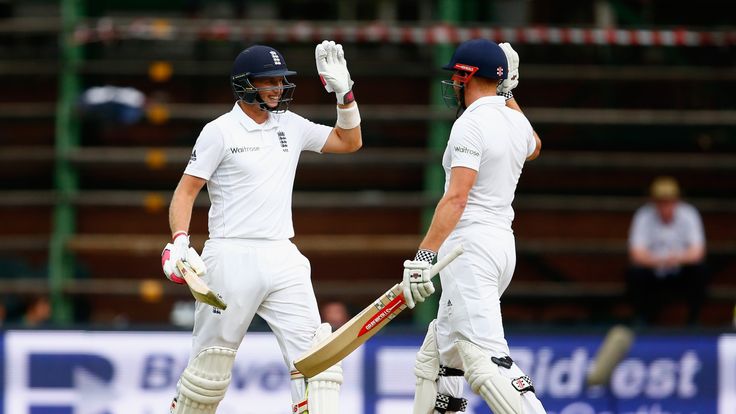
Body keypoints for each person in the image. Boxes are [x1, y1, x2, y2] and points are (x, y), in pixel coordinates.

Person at [160, 41, 362, 414]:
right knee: (208, 371)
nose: (276, 88)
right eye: (267, 81)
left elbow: (349, 141)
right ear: (244, 84)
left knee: (319, 365)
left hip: (282, 253)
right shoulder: (219, 131)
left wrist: (344, 95)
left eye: (280, 81)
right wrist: (179, 241)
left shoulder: (291, 125)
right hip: (230, 255)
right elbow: (186, 192)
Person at [402, 39, 546, 414]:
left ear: (466, 77)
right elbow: (535, 145)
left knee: (488, 362)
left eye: (455, 76)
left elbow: (456, 198)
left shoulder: (470, 125)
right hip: (500, 248)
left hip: (469, 250)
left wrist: (423, 255)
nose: (451, 84)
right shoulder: (516, 121)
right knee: (438, 362)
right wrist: (508, 93)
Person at [626, 176, 709, 326]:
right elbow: (636, 254)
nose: (665, 206)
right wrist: (660, 261)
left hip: (681, 271)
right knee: (634, 272)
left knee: (700, 270)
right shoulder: (643, 216)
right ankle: (641, 319)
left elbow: (698, 252)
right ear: (653, 201)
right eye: (660, 202)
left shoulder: (689, 214)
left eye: (669, 201)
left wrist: (676, 259)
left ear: (677, 200)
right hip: (653, 271)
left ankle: (693, 319)